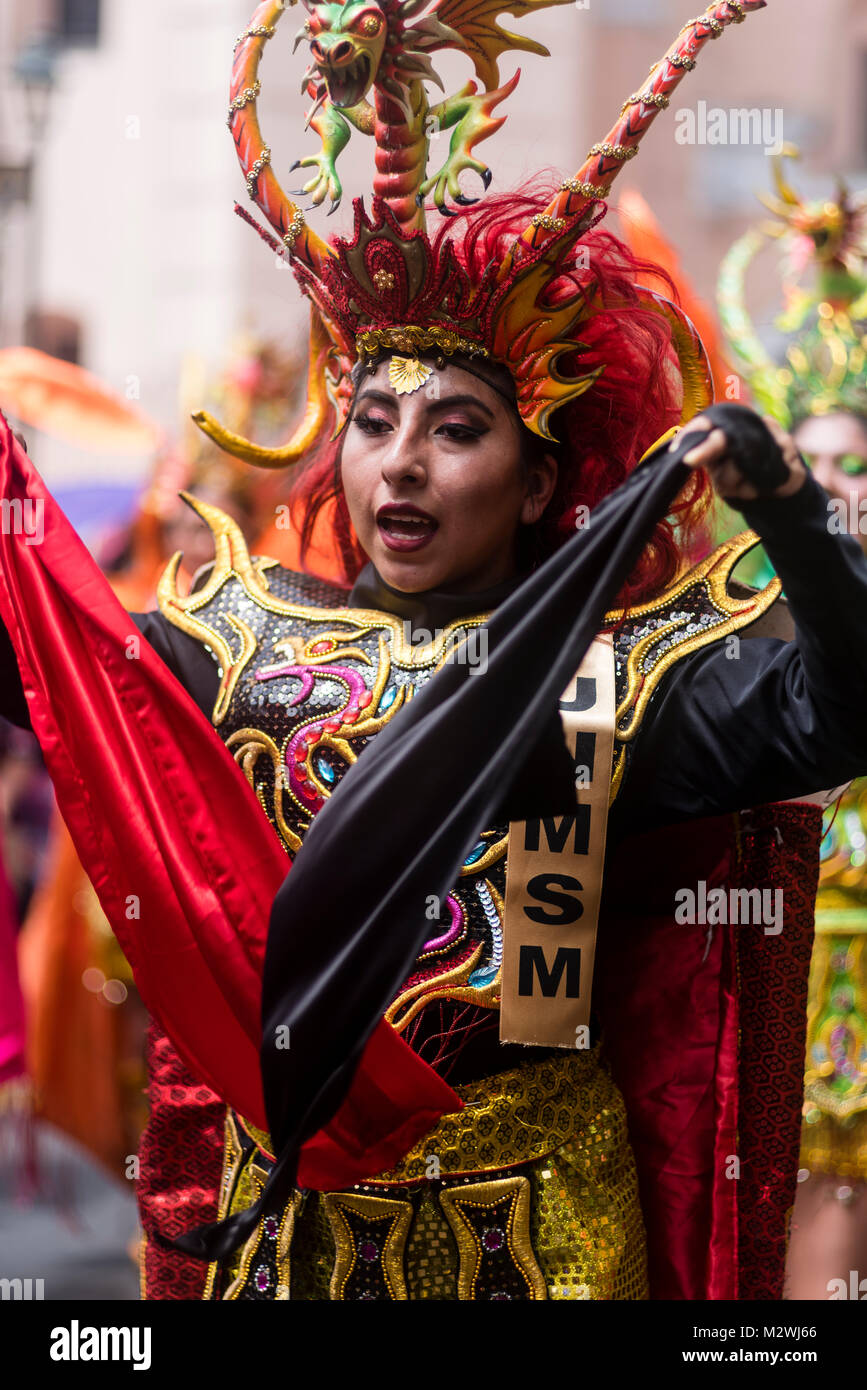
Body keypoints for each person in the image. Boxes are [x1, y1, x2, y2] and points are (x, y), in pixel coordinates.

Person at [0, 1, 863, 1301]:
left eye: (456, 426)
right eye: (373, 418)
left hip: (531, 1237)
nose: (400, 460)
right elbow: (47, 664)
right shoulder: (234, 644)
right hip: (286, 1230)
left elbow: (844, 707)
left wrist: (791, 507)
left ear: (531, 483)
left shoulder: (612, 677)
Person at [717, 153, 867, 1299]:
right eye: (810, 467)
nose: (834, 487)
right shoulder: (733, 605)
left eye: (852, 465)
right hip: (778, 945)